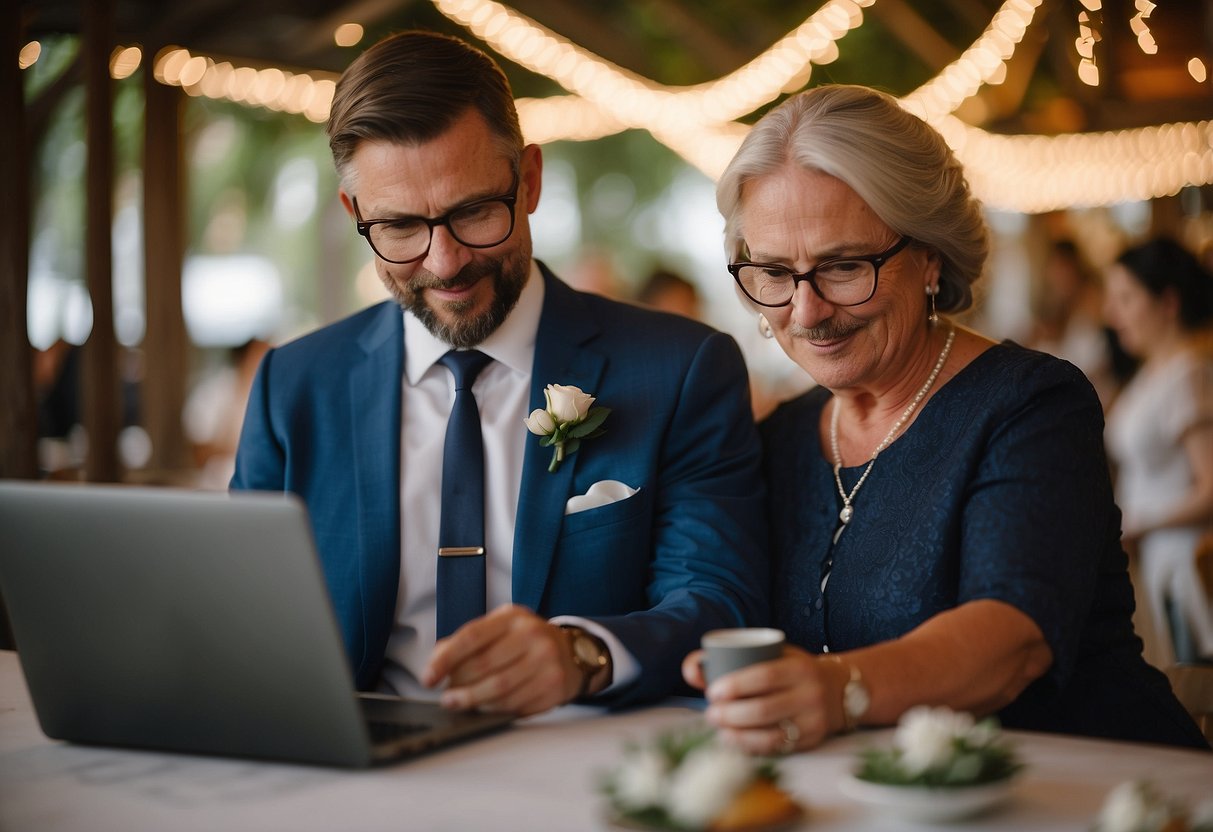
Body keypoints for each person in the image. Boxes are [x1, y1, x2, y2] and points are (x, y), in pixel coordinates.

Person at [230, 31, 767, 717]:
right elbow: (246, 617)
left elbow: (718, 598)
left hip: (572, 769)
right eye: (399, 228)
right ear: (354, 215)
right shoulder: (293, 387)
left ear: (530, 181)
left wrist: (583, 654)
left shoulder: (681, 369)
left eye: (474, 212)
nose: (445, 262)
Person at [680, 84, 1207, 752]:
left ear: (928, 256)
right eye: (774, 273)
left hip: (1080, 789)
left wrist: (837, 687)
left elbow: (1012, 637)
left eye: (843, 267)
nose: (806, 312)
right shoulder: (779, 437)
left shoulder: (1030, 404)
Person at [1103, 238, 1213, 666]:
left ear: (1167, 301)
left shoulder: (1189, 374)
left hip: (1185, 563)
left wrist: (1140, 523)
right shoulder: (1150, 373)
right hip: (1152, 560)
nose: (1113, 315)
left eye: (1126, 299)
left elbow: (1210, 488)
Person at [1028, 239, 1124, 409]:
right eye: (1053, 270)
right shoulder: (1057, 310)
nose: (1056, 277)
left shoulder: (1096, 303)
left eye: (1061, 269)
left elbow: (1105, 360)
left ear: (1075, 267)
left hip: (1101, 397)